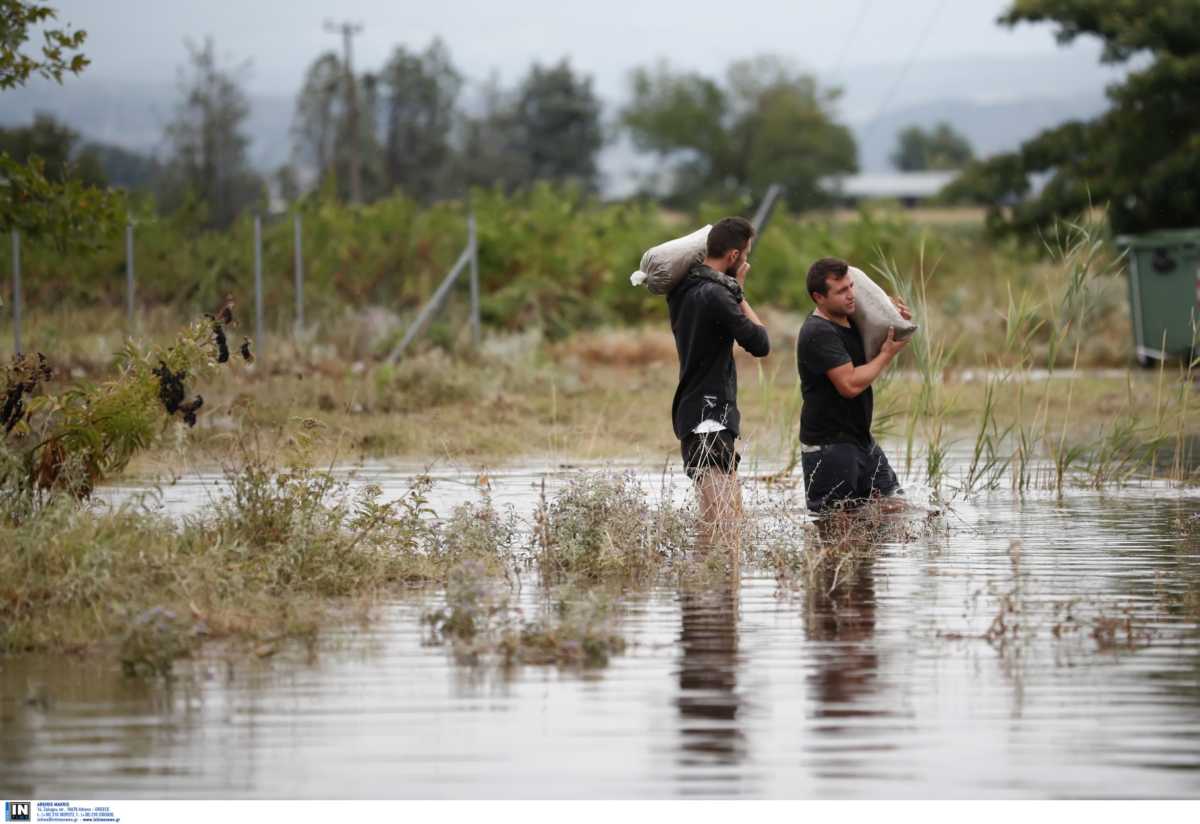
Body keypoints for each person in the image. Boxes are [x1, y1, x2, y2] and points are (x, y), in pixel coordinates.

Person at [668, 217, 770, 530]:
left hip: (696, 413)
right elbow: (760, 342)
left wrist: (731, 288)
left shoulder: (682, 288)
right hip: (709, 415)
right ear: (733, 257)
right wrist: (739, 292)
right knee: (722, 528)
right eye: (746, 254)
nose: (746, 261)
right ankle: (714, 581)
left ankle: (716, 581)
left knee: (724, 523)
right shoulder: (718, 295)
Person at [796, 257, 910, 513]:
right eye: (841, 291)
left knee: (897, 508)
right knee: (836, 527)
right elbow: (849, 385)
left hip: (861, 441)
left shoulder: (852, 322)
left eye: (850, 287)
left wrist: (891, 320)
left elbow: (869, 363)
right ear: (819, 297)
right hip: (829, 447)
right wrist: (888, 354)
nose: (850, 295)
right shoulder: (818, 332)